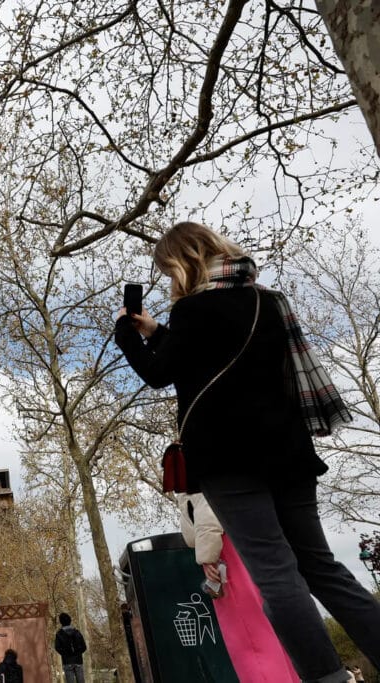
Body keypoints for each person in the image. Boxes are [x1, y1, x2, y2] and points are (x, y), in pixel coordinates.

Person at [115, 221, 380, 681]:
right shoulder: (269, 301)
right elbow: (208, 360)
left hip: (227, 458)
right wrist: (157, 330)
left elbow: (162, 373)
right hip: (287, 451)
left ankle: (326, 677)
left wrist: (128, 338)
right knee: (321, 567)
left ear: (182, 263)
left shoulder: (194, 310)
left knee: (275, 573)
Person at [178, 493, 298, 682]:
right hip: (245, 544)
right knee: (264, 628)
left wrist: (207, 556)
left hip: (223, 551)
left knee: (247, 638)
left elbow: (207, 510)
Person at [54, 613, 86, 683]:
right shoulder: (77, 632)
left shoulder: (59, 634)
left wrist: (66, 654)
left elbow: (57, 647)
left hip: (67, 662)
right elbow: (84, 647)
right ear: (70, 620)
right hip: (78, 661)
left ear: (61, 622)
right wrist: (77, 653)